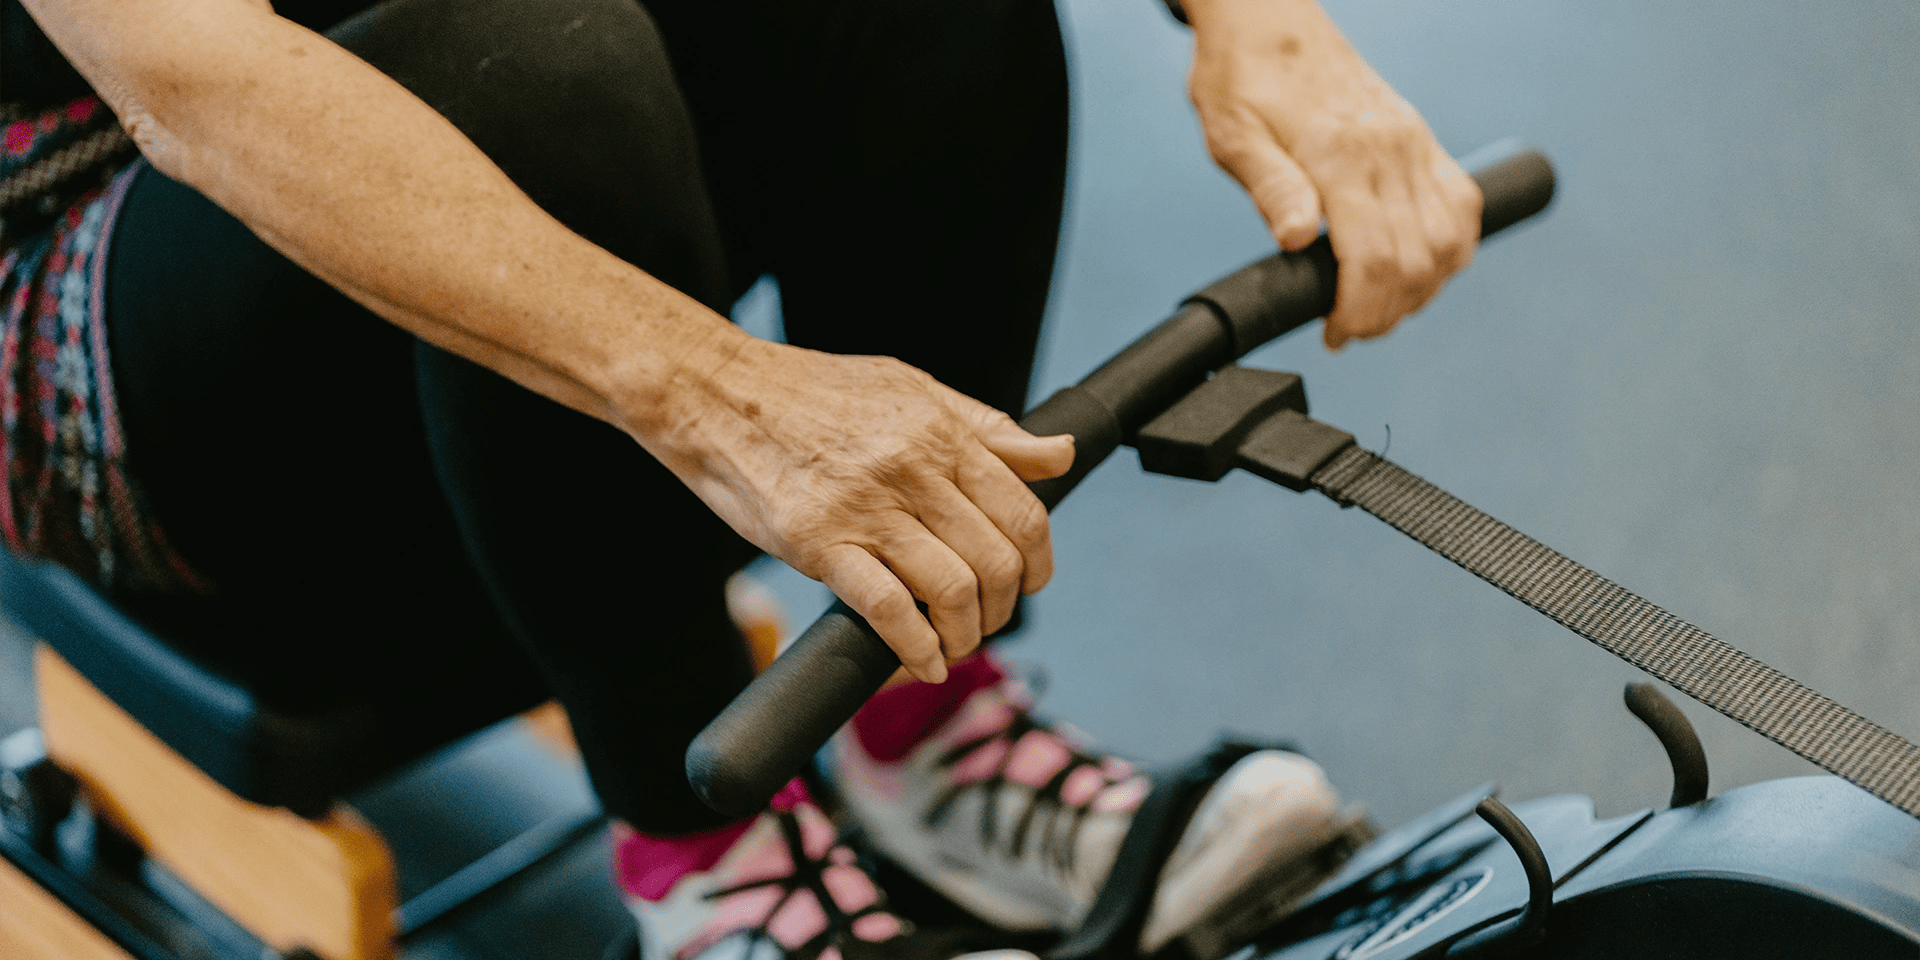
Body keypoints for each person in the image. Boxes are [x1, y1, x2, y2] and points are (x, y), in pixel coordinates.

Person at [1, 0, 1479, 956]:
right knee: (515, 66)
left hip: (463, 68)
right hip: (91, 290)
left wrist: (1258, 22)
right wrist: (716, 395)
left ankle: (930, 727)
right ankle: (712, 881)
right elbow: (196, 78)